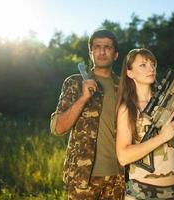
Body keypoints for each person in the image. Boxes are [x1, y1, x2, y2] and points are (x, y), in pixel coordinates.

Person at [116, 48, 174, 200]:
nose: (151, 69)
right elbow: (123, 156)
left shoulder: (167, 103)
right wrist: (161, 138)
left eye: (153, 64)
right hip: (141, 190)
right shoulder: (127, 108)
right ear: (130, 73)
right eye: (143, 65)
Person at [50, 29, 125, 200]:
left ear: (115, 54)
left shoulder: (124, 88)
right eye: (97, 47)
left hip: (119, 179)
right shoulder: (74, 83)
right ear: (90, 53)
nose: (102, 51)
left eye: (107, 47)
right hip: (82, 179)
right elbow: (58, 128)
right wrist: (83, 98)